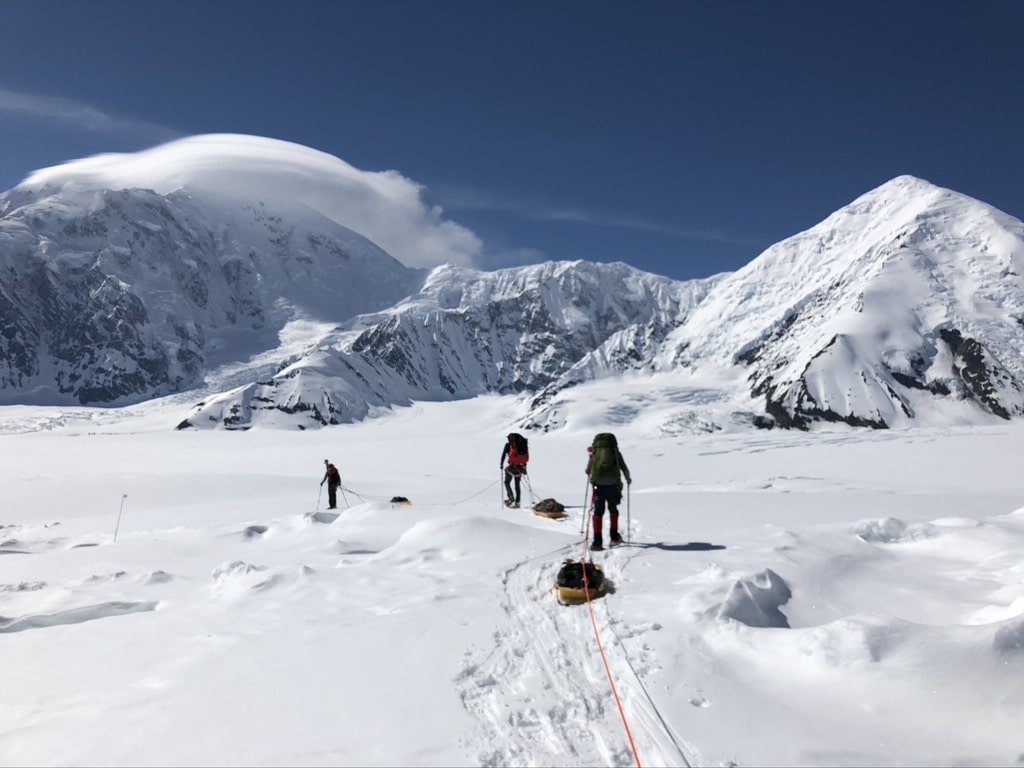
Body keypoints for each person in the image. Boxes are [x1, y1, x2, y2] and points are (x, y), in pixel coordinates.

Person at [585, 433, 631, 550]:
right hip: (613, 486)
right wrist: (628, 479)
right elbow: (623, 467)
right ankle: (614, 538)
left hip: (598, 487)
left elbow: (587, 470)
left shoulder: (595, 453)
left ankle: (597, 542)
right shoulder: (615, 452)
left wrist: (591, 459)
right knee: (613, 510)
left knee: (598, 513)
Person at [500, 432, 529, 508]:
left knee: (507, 482)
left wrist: (501, 464)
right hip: (520, 468)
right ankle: (518, 502)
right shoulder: (523, 445)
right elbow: (525, 456)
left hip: (512, 468)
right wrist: (524, 468)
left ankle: (511, 498)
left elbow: (503, 455)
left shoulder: (508, 445)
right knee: (517, 485)